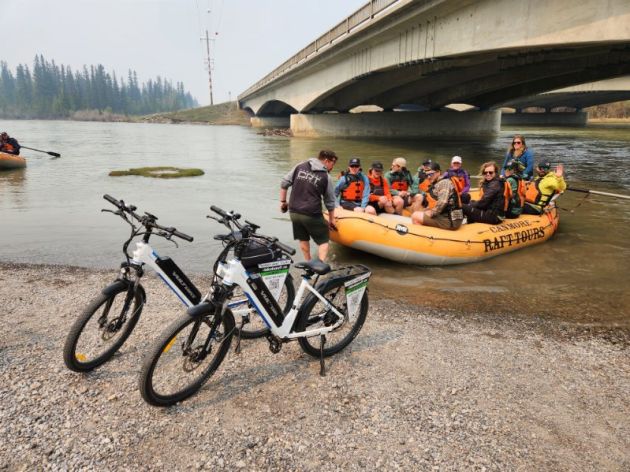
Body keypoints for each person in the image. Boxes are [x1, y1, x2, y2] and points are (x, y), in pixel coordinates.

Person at [280, 149, 338, 261]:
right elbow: (330, 202)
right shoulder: (326, 177)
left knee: (303, 238)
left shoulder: (300, 166)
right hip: (311, 213)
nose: (332, 167)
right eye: (333, 163)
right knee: (323, 240)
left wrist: (283, 202)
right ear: (326, 161)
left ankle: (308, 262)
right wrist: (331, 220)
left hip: (294, 211)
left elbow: (284, 183)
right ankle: (319, 267)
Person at [410, 162, 463, 230]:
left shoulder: (444, 182)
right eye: (427, 175)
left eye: (431, 174)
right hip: (446, 216)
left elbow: (443, 202)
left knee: (415, 216)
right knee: (421, 212)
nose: (429, 177)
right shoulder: (437, 182)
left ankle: (422, 237)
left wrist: (432, 213)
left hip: (451, 221)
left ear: (438, 172)